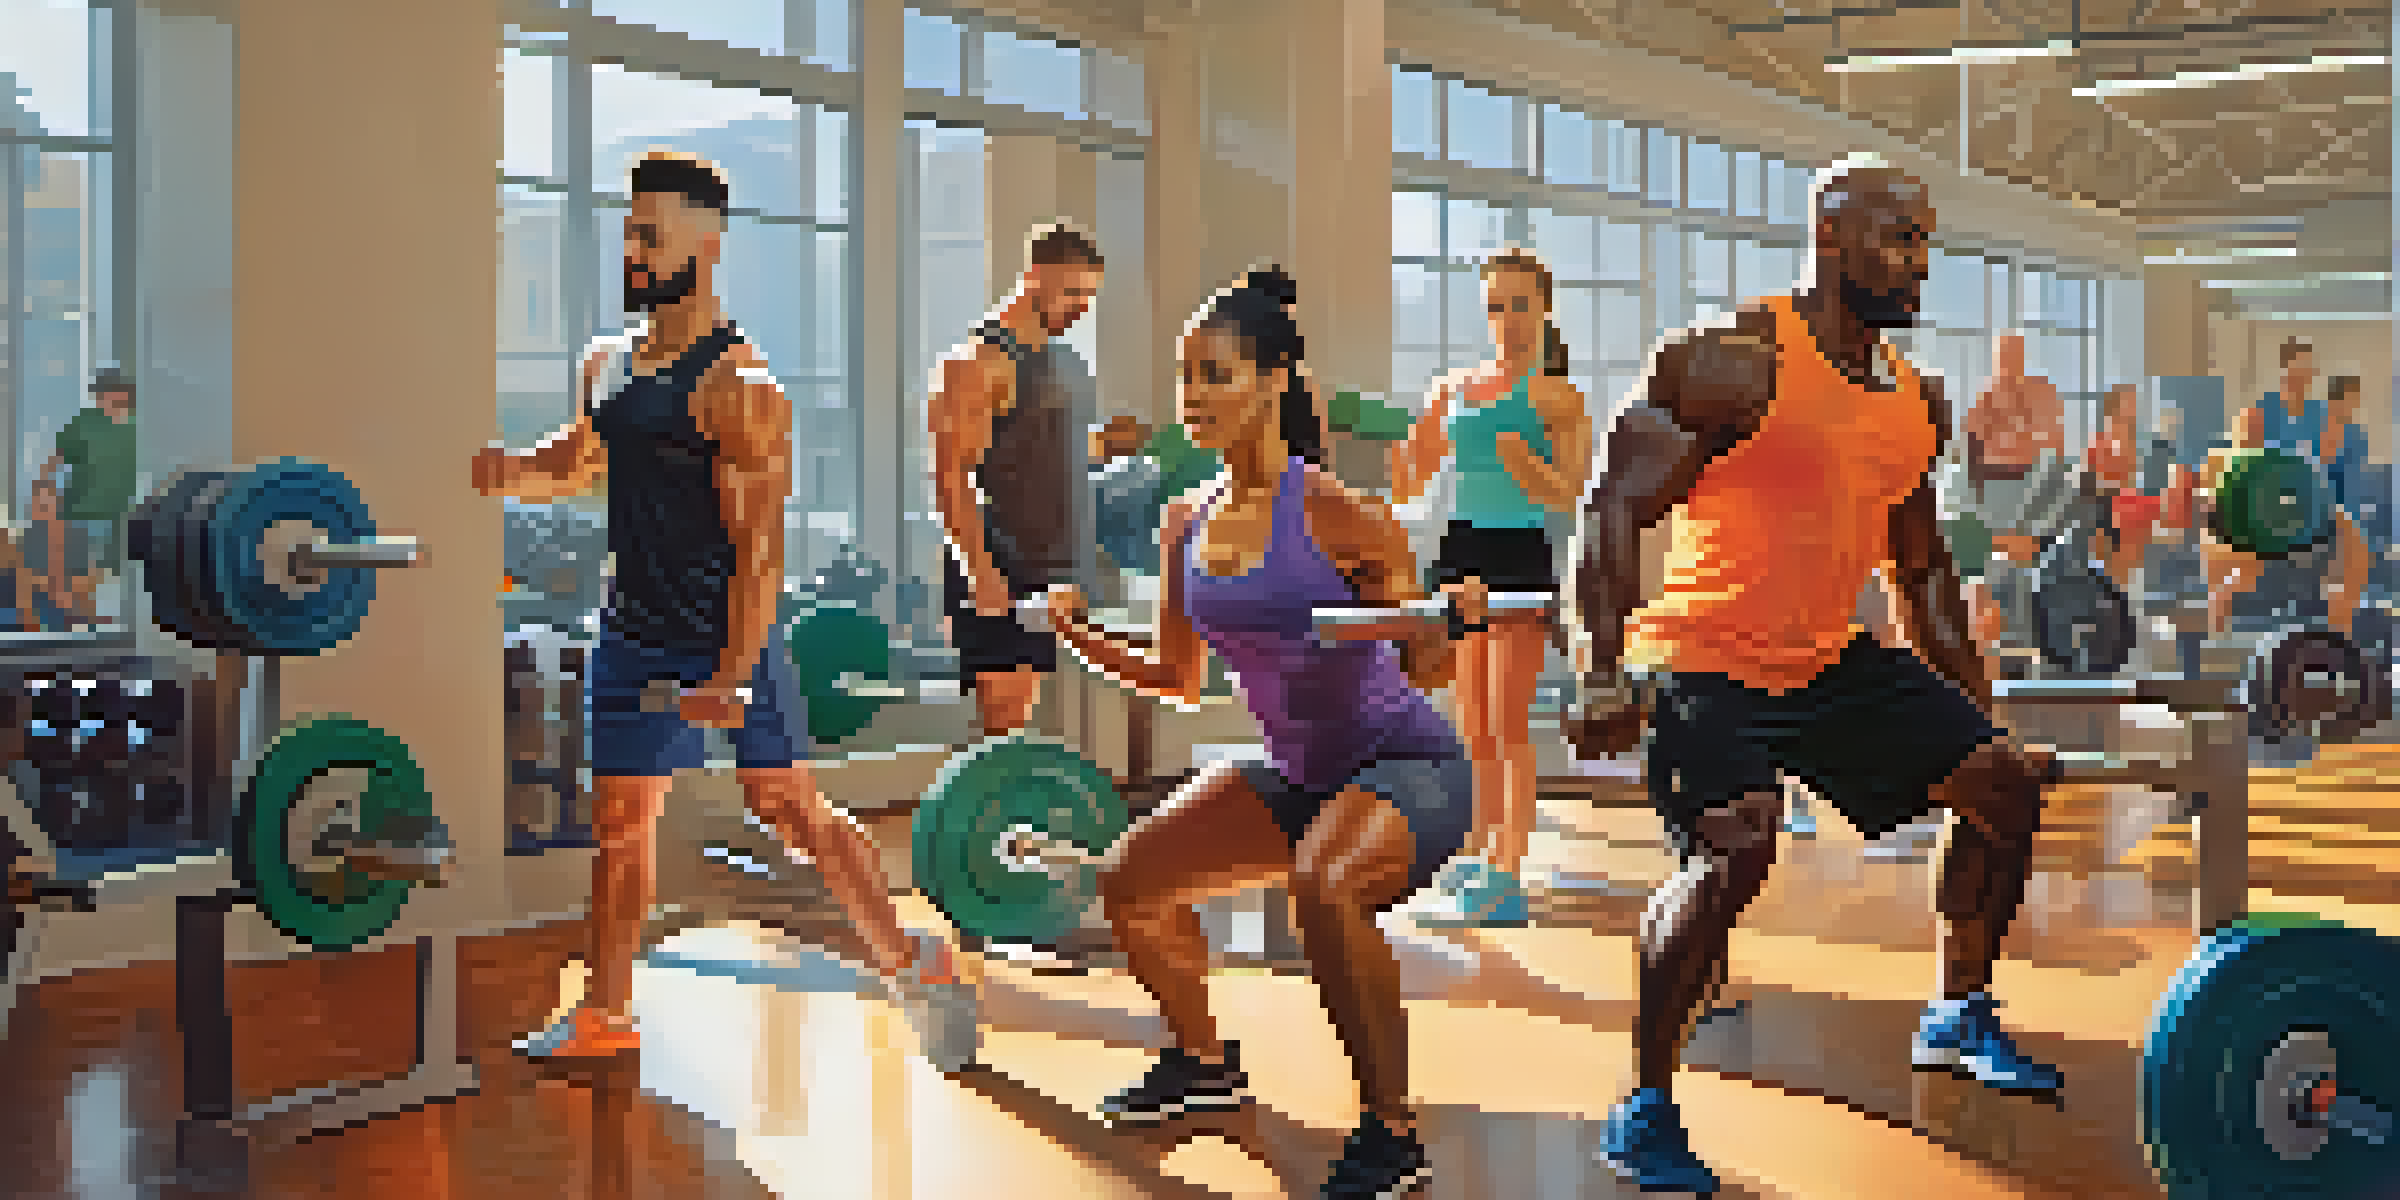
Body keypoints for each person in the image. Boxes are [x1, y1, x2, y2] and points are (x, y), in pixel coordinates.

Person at [1564, 156, 2064, 1193]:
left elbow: (1921, 573)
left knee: (2004, 793)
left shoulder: (1915, 400)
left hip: (1825, 661)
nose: (1920, 261)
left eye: (1926, 239)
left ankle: (1957, 1011)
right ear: (1830, 238)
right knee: (1735, 844)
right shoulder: (1732, 361)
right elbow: (1612, 507)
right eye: (1896, 236)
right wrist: (1599, 666)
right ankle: (1645, 1102)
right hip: (1701, 654)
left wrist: (1980, 724)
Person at [475, 152, 975, 1068]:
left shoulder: (742, 390)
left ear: (706, 245)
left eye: (649, 236)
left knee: (788, 808)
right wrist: (504, 473)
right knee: (622, 824)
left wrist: (735, 676)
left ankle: (912, 959)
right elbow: (578, 461)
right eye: (628, 233)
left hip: (722, 634)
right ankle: (606, 1014)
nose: (632, 251)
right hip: (631, 629)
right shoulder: (607, 361)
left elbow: (761, 555)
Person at [1047, 267, 1475, 1199]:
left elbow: (1426, 671)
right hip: (1298, 773)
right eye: (1185, 376)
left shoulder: (1339, 515)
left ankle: (1392, 1133)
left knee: (1326, 885)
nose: (1193, 397)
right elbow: (1177, 678)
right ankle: (1203, 1063)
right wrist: (1079, 634)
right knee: (1131, 881)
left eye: (1215, 374)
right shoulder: (1184, 522)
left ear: (1273, 380)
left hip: (1409, 767)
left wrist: (1445, 621)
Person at [1388, 248, 1592, 926]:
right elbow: (1413, 484)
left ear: (1544, 308)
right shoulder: (1454, 388)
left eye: (1520, 305)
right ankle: (1475, 851)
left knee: (1508, 722)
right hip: (1460, 552)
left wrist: (1525, 464)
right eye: (1496, 306)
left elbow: (1570, 493)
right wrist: (1408, 452)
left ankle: (1508, 868)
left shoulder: (1557, 396)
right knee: (1471, 723)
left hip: (1519, 553)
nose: (1507, 319)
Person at [928, 222, 1107, 970]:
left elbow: (1045, 456)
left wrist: (1107, 449)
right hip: (999, 566)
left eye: (1089, 296)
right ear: (1033, 275)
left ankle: (1004, 890)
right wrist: (980, 572)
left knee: (1023, 727)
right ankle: (978, 900)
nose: (1078, 307)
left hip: (1054, 564)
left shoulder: (1060, 361)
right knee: (1000, 729)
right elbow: (951, 476)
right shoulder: (977, 361)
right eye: (1069, 291)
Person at [2200, 341, 2374, 637]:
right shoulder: (2261, 413)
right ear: (2285, 371)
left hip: (2306, 510)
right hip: (2264, 511)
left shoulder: (2321, 416)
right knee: (2229, 568)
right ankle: (2216, 643)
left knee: (2353, 542)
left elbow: (2327, 462)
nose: (2303, 377)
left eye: (2308, 371)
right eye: (2298, 370)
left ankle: (2339, 645)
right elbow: (2238, 465)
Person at [31, 365, 137, 629]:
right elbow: (55, 459)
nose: (107, 399)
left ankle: (104, 625)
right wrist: (44, 488)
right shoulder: (85, 422)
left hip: (121, 513)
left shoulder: (137, 425)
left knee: (112, 574)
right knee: (81, 575)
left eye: (112, 393)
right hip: (81, 512)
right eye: (102, 394)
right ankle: (83, 625)